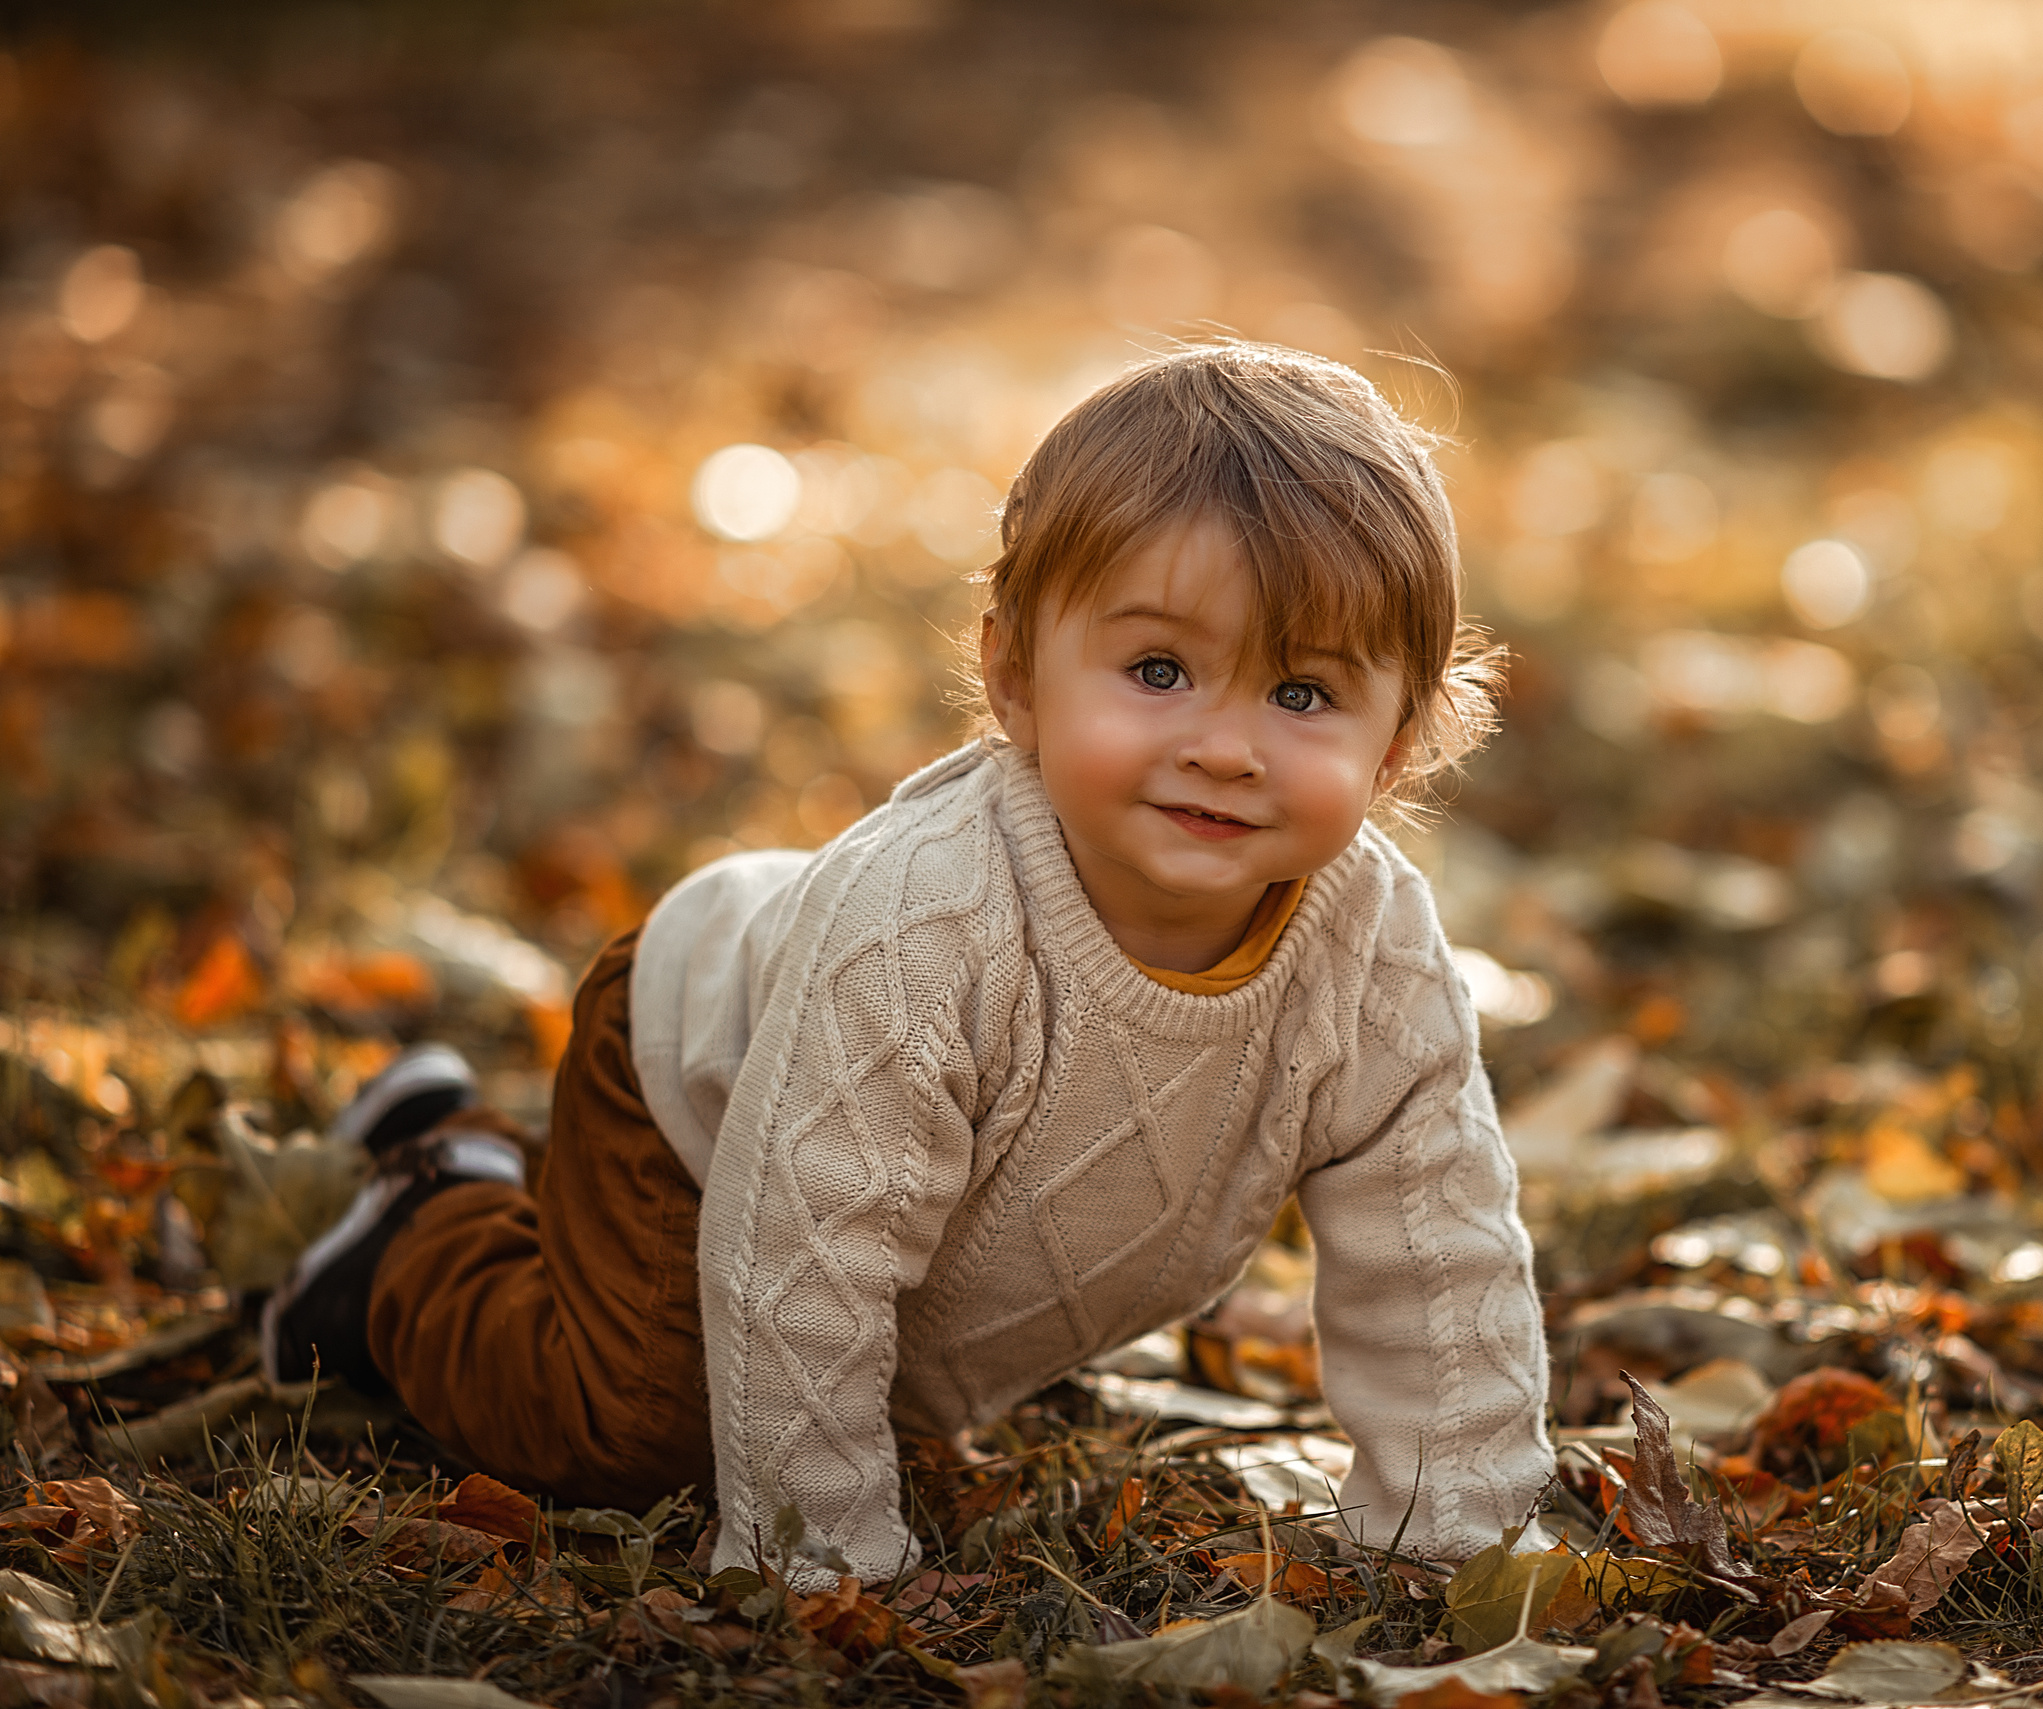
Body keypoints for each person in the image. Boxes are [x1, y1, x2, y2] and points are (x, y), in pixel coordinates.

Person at [263, 343, 1554, 1586]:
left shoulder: (1372, 952)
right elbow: (804, 1237)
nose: (1226, 746)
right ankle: (422, 1229)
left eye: (1304, 694)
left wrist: (1459, 1532)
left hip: (891, 1178)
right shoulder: (933, 924)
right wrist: (821, 1560)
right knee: (636, 1438)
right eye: (1159, 669)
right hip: (697, 1085)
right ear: (1014, 675)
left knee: (860, 1394)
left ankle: (474, 1173)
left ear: (1399, 745)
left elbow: (1441, 1247)